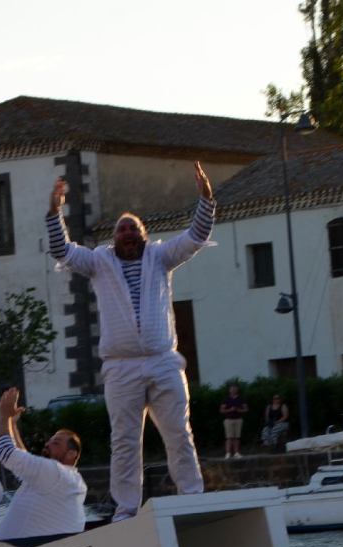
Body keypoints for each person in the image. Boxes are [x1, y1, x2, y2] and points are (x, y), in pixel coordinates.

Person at [46, 162, 216, 522]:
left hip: (163, 360)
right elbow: (63, 251)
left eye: (133, 229)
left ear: (143, 234)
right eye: (121, 229)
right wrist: (54, 212)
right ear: (113, 238)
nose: (127, 233)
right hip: (121, 366)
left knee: (178, 433)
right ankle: (126, 509)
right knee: (124, 441)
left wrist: (206, 200)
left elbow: (195, 238)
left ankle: (192, 497)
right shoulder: (98, 262)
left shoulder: (161, 256)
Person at [0, 387, 87, 544]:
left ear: (72, 454)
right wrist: (12, 425)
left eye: (56, 442)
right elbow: (25, 461)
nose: (48, 443)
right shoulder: (66, 477)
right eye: (50, 440)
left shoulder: (56, 472)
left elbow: (6, 452)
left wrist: (4, 417)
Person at [220, 385, 249, 459]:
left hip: (238, 419)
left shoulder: (241, 399)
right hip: (229, 420)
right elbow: (222, 410)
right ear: (229, 391)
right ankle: (228, 453)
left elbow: (246, 409)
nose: (233, 391)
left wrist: (240, 410)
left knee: (236, 437)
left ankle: (236, 453)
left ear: (237, 390)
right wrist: (229, 410)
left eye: (234, 389)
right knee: (229, 437)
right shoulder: (226, 399)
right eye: (232, 389)